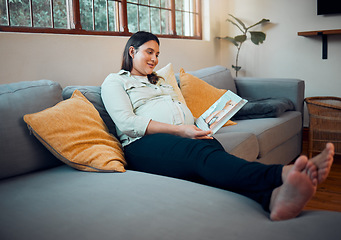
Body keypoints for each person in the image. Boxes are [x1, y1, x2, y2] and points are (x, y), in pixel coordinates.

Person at [101, 31, 335, 221]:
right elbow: (127, 123)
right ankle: (282, 173)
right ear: (132, 51)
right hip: (141, 145)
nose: (154, 59)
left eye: (158, 54)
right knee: (199, 153)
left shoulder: (161, 82)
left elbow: (183, 113)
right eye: (149, 52)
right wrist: (181, 130)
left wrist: (202, 124)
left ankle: (272, 198)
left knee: (211, 155)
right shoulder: (115, 81)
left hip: (184, 136)